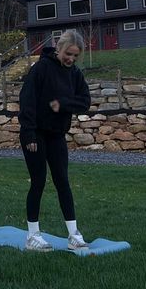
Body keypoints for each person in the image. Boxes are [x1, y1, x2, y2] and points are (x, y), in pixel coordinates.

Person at [18, 29, 92, 251]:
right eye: (68, 53)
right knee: (38, 182)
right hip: (35, 134)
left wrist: (63, 104)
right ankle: (33, 236)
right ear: (59, 48)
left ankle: (74, 235)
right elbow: (27, 100)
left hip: (56, 134)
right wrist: (29, 132)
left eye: (75, 56)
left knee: (63, 182)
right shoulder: (41, 68)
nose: (71, 59)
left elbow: (84, 102)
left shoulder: (75, 74)